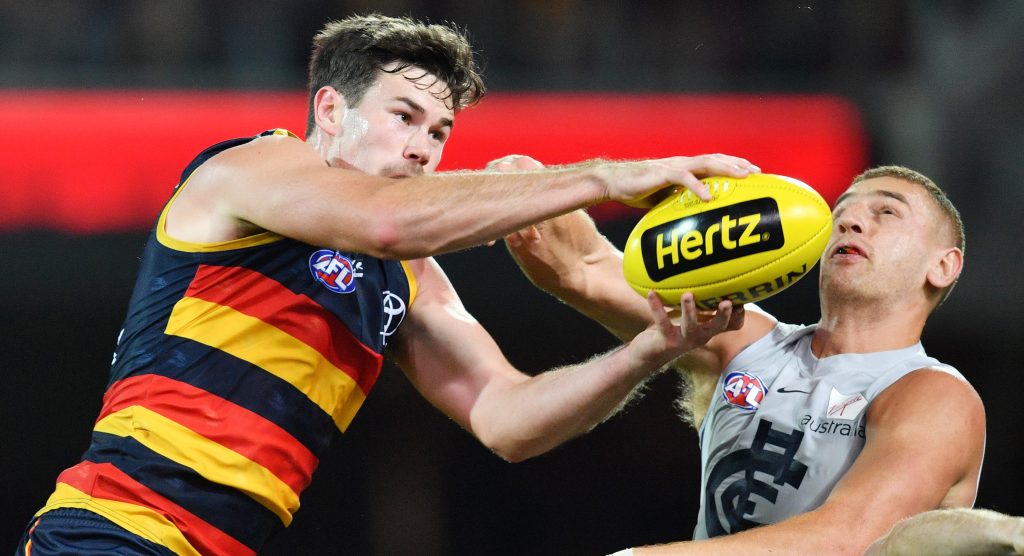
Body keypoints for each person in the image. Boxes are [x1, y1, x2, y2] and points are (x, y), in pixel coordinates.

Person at [14, 13, 762, 556]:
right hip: (115, 529)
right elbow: (385, 221)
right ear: (330, 109)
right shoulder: (247, 169)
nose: (422, 148)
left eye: (439, 132)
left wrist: (654, 347)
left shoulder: (407, 277)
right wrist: (605, 176)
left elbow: (508, 418)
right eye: (403, 117)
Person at [503, 164, 986, 554]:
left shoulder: (935, 396)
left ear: (943, 265)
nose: (850, 221)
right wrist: (532, 186)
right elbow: (582, 268)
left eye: (887, 212)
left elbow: (847, 542)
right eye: (841, 211)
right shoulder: (740, 338)